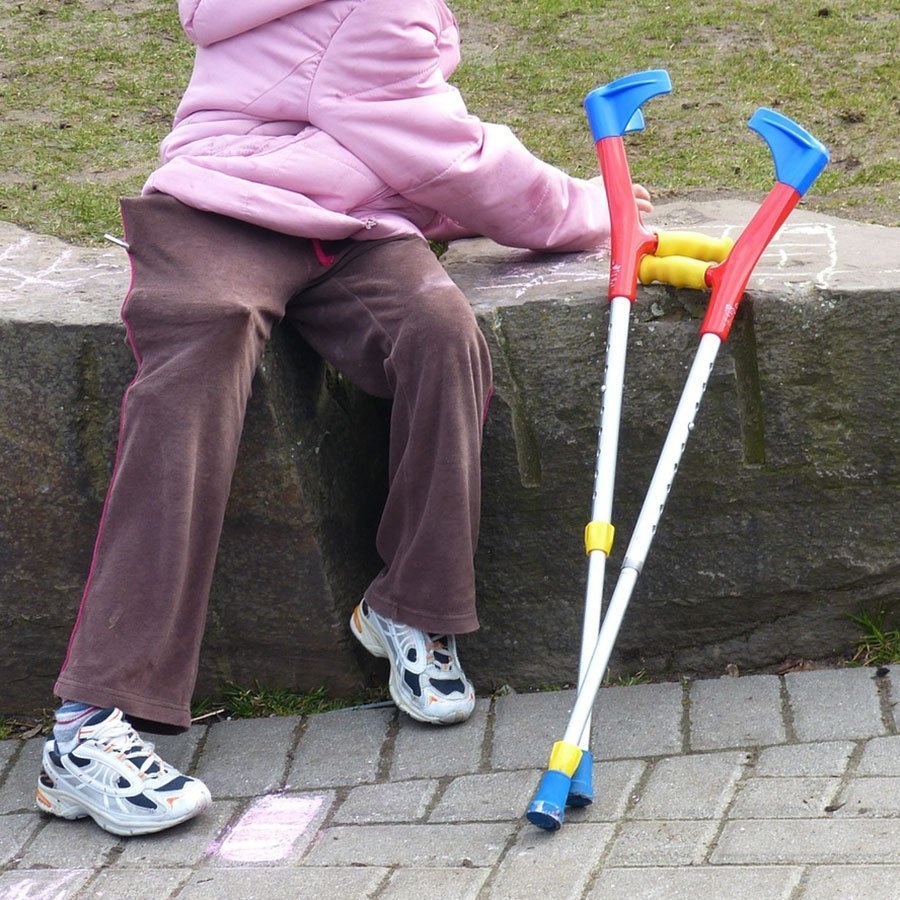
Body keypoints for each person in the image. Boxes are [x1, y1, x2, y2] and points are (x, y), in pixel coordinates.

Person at [36, 0, 652, 837]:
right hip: (218, 209)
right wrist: (589, 211)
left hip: (350, 224)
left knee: (441, 335)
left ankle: (411, 604)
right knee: (195, 372)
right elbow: (451, 154)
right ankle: (87, 726)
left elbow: (395, 140)